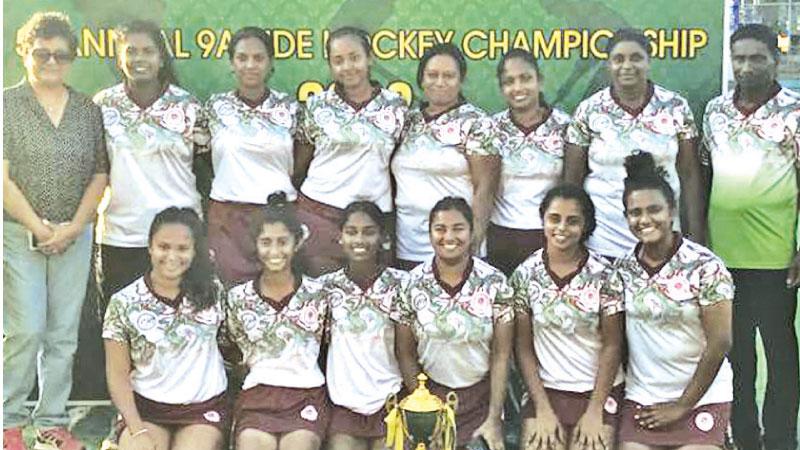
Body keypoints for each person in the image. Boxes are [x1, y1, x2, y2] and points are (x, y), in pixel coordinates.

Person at [3, 11, 108, 450]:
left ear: (72, 59)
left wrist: (74, 228)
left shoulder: (87, 109)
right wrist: (39, 227)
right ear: (24, 52)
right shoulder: (7, 104)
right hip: (19, 233)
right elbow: (1, 178)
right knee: (25, 328)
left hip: (75, 235)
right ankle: (8, 421)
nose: (51, 62)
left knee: (63, 334)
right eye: (42, 53)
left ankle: (51, 421)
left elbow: (100, 175)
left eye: (61, 55)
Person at [702, 23, 799, 450]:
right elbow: (704, 175)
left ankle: (778, 438)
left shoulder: (794, 112)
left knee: (780, 358)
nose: (746, 66)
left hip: (776, 261)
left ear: (774, 60)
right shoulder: (715, 111)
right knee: (735, 358)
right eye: (739, 58)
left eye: (756, 58)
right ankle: (742, 436)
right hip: (722, 262)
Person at [615, 152, 733, 449]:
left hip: (701, 398)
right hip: (644, 398)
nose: (644, 220)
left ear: (671, 210)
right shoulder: (621, 271)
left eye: (654, 209)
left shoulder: (706, 266)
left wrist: (682, 406)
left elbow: (720, 342)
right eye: (635, 212)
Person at [562, 28, 704, 259]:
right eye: (618, 59)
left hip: (663, 239)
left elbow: (690, 175)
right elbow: (573, 178)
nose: (627, 66)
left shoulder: (675, 107)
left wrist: (696, 236)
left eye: (636, 58)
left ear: (649, 61)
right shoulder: (589, 110)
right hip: (603, 240)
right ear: (608, 65)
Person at [94, 20, 203, 299]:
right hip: (122, 235)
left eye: (148, 51)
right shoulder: (103, 106)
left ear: (161, 58)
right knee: (121, 328)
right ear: (119, 58)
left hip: (179, 237)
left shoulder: (188, 106)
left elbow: (204, 170)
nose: (139, 59)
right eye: (131, 51)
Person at [103, 207, 227, 450]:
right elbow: (117, 376)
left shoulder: (213, 291)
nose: (172, 256)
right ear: (149, 247)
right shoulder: (124, 302)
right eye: (163, 247)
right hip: (146, 409)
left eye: (182, 249)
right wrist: (136, 429)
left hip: (202, 408)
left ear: (194, 251)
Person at [395, 197, 514, 450]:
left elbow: (501, 355)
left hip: (480, 400)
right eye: (440, 229)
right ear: (429, 234)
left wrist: (494, 419)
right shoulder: (411, 284)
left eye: (458, 228)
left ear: (472, 232)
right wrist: (424, 410)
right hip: (430, 394)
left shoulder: (495, 283)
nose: (449, 236)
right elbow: (404, 353)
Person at [511, 184, 624, 450]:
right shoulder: (525, 275)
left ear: (586, 225)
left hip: (597, 392)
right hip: (546, 392)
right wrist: (542, 408)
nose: (562, 228)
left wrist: (595, 411)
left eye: (573, 221)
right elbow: (523, 348)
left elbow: (613, 346)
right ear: (543, 220)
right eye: (554, 219)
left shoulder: (606, 276)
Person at [294, 26, 407, 276]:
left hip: (373, 218)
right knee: (321, 293)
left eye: (354, 57)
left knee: (371, 296)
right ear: (330, 65)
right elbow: (299, 163)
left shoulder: (395, 106)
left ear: (370, 58)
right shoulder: (316, 105)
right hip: (321, 212)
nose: (348, 66)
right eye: (338, 60)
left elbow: (398, 164)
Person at [226, 192, 329, 450]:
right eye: (266, 242)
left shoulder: (319, 294)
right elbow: (236, 353)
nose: (274, 251)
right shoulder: (238, 298)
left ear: (297, 243)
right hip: (257, 396)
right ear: (255, 245)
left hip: (306, 394)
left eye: (282, 242)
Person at [204, 26, 300, 286]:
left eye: (258, 58)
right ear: (231, 63)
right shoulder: (215, 107)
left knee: (276, 293)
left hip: (278, 216)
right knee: (231, 296)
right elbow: (203, 158)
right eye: (242, 58)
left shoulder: (290, 108)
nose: (250, 65)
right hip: (228, 218)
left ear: (270, 63)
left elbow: (302, 160)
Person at [392, 44, 500, 269]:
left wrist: (473, 241)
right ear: (421, 79)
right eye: (432, 75)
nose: (440, 82)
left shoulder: (476, 123)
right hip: (407, 242)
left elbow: (486, 188)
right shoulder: (407, 121)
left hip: (455, 244)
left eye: (449, 76)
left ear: (461, 80)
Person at [318, 201, 407, 450]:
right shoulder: (325, 290)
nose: (360, 239)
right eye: (351, 231)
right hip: (344, 406)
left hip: (391, 401)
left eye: (369, 232)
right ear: (340, 237)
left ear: (383, 237)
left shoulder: (403, 285)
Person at [488, 49, 571, 275]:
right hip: (501, 239)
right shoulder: (491, 128)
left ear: (539, 81)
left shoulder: (565, 127)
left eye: (525, 78)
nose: (518, 88)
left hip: (550, 237)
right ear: (501, 88)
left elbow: (572, 186)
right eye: (509, 81)